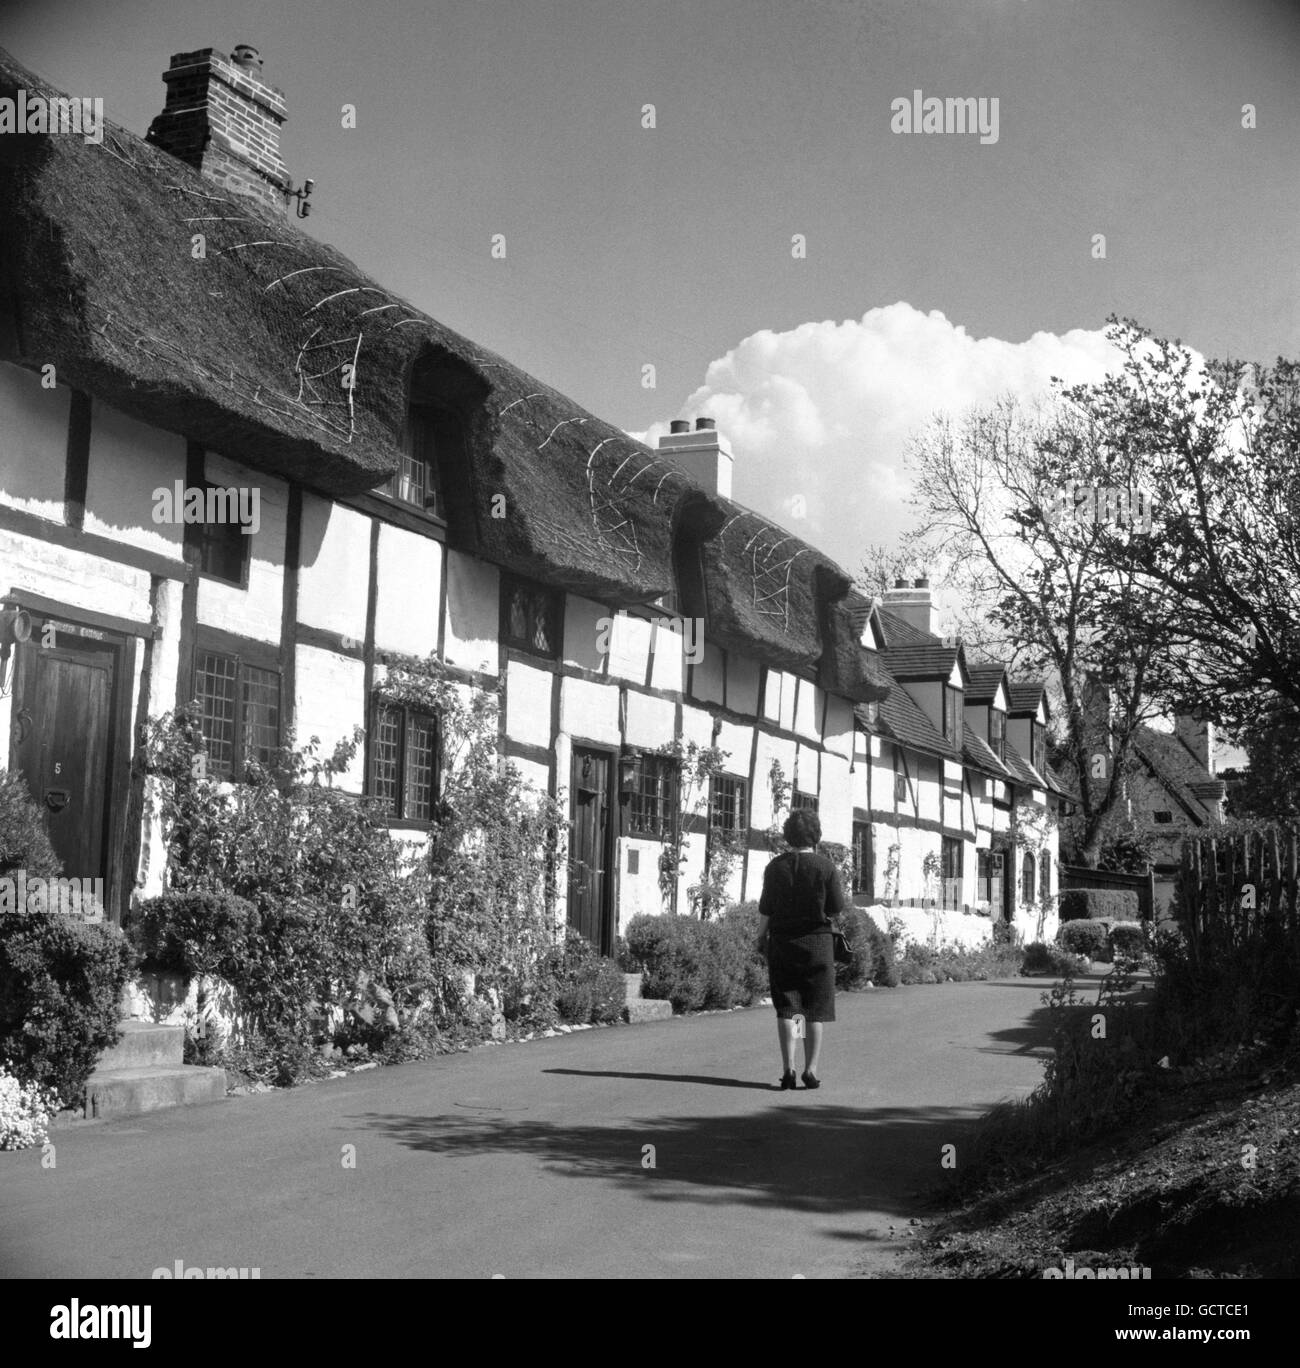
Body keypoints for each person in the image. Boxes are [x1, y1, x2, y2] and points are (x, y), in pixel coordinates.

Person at [755, 809, 846, 1090]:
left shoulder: (775, 867)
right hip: (817, 944)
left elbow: (766, 909)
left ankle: (789, 1070)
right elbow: (836, 907)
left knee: (791, 1006)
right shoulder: (825, 867)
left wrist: (760, 937)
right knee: (813, 1008)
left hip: (783, 943)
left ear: (788, 835)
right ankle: (811, 1069)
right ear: (815, 835)